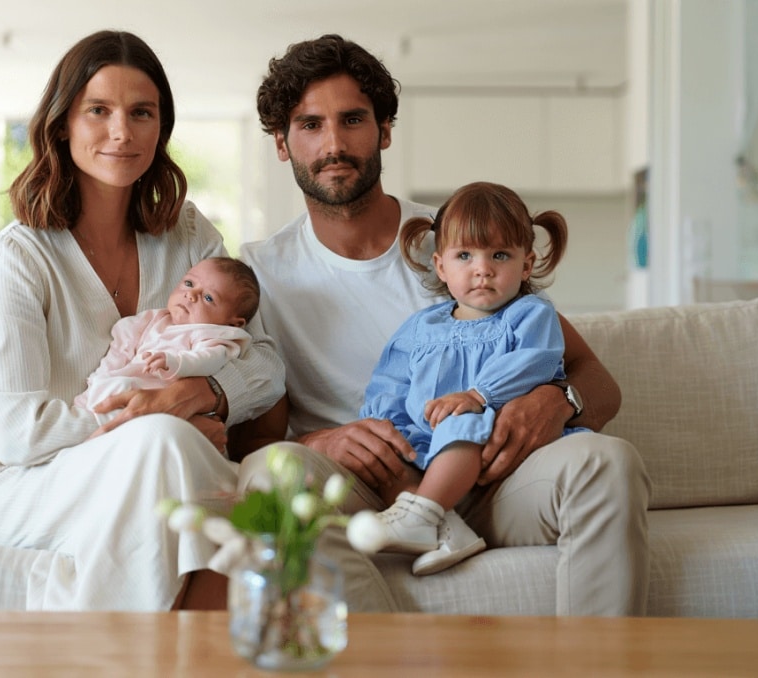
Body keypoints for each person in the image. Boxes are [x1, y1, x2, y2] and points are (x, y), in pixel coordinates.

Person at [235, 34, 650, 616]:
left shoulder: (461, 245)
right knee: (271, 473)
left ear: (383, 130)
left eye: (353, 119)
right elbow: (249, 439)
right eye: (309, 125)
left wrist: (562, 401)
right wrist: (319, 440)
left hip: (497, 479)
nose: (334, 143)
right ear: (282, 143)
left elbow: (595, 379)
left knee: (611, 461)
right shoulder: (258, 272)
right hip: (364, 488)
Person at [0, 31, 284, 613]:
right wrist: (150, 415)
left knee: (177, 449)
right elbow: (20, 434)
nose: (122, 132)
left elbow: (267, 367)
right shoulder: (20, 255)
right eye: (98, 110)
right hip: (26, 484)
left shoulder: (191, 236)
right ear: (62, 124)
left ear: (161, 127)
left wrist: (201, 393)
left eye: (141, 113)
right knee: (161, 443)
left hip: (168, 460)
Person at [361, 181, 591, 577]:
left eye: (499, 255)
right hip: (427, 444)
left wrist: (478, 395)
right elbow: (391, 380)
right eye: (464, 255)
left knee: (462, 421)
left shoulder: (530, 314)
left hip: (492, 440)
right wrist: (384, 423)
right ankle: (449, 530)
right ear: (440, 266)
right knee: (392, 452)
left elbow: (535, 361)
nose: (482, 268)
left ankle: (422, 514)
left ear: (526, 265)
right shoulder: (420, 327)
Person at [74, 257, 260, 426]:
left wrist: (175, 362)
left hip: (161, 402)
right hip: (129, 387)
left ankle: (95, 427)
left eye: (208, 298)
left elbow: (209, 359)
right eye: (189, 283)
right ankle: (86, 415)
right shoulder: (154, 319)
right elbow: (121, 347)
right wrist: (102, 376)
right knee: (108, 387)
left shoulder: (212, 335)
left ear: (233, 323)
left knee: (119, 389)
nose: (191, 294)